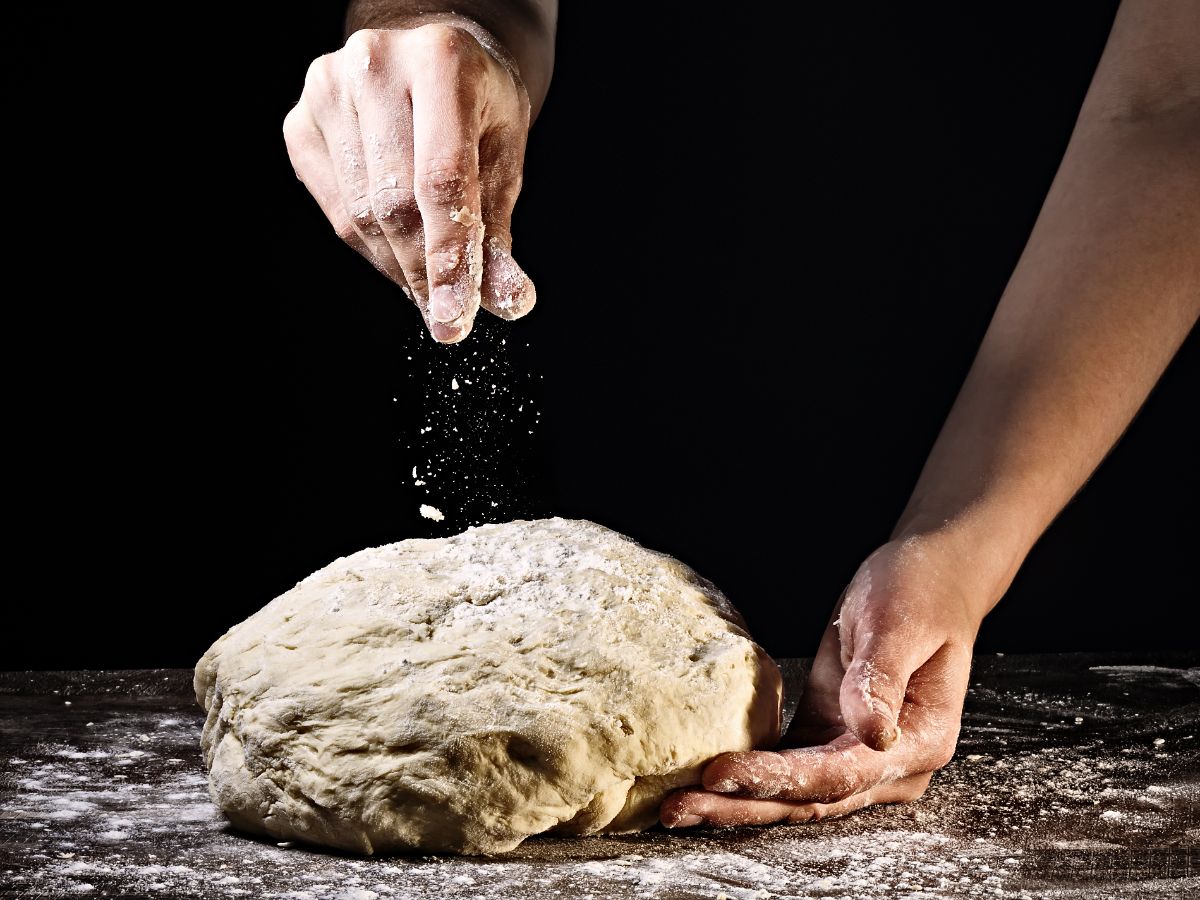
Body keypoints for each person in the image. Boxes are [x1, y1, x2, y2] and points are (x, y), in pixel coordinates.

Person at [283, 0, 1199, 829]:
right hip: (615, 348)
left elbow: (1176, 100)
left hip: (1061, 448)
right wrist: (441, 23)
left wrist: (963, 541)